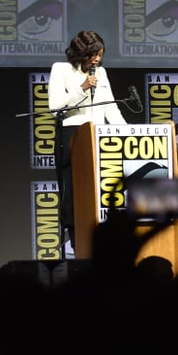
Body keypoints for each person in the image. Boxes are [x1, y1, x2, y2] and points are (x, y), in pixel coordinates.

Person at [48, 30, 128, 250]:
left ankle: (104, 244)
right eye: (93, 54)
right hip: (73, 137)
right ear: (80, 53)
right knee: (74, 195)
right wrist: (82, 88)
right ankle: (77, 245)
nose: (97, 59)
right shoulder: (61, 69)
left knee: (101, 193)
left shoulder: (101, 73)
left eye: (100, 54)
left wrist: (128, 133)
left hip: (100, 138)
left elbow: (111, 107)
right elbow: (55, 107)